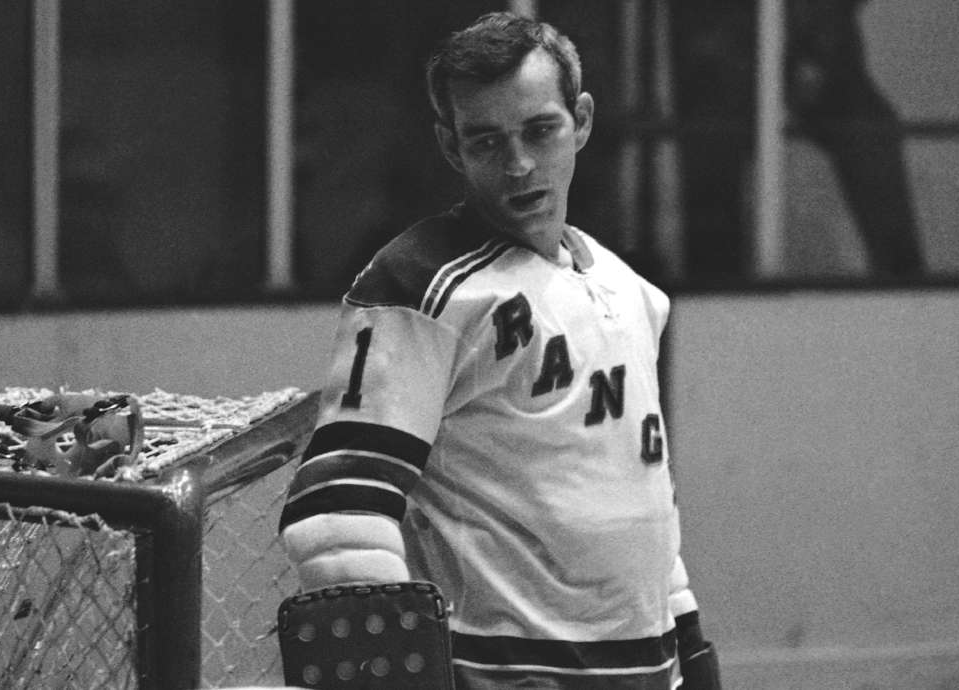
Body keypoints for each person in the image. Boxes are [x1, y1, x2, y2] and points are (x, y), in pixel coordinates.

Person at [279, 12, 721, 689]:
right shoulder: (417, 281)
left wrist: (689, 648)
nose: (517, 165)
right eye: (486, 141)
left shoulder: (631, 292)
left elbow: (643, 500)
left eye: (539, 131)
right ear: (451, 149)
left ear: (582, 120)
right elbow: (337, 512)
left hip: (644, 668)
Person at [671, 0, 924, 279]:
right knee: (711, 134)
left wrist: (817, 49)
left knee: (867, 129)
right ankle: (713, 286)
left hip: (811, 32)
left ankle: (906, 281)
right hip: (718, 42)